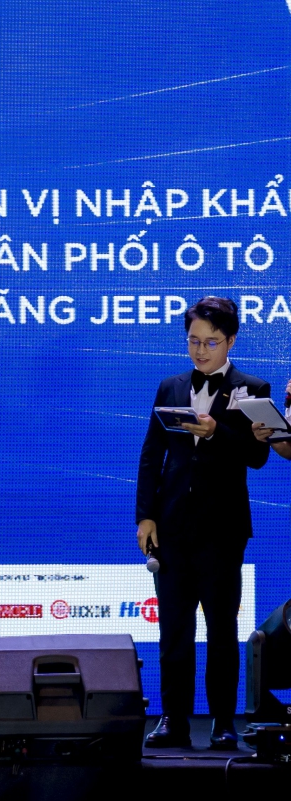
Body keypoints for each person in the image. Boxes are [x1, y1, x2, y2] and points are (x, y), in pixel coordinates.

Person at [137, 295, 270, 750]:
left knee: (221, 630)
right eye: (193, 341)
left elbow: (256, 457)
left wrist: (217, 433)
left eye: (210, 342)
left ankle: (223, 723)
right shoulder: (170, 386)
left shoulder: (253, 388)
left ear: (231, 340)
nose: (200, 350)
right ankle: (172, 720)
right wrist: (145, 516)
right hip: (171, 527)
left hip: (222, 530)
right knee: (173, 630)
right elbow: (151, 456)